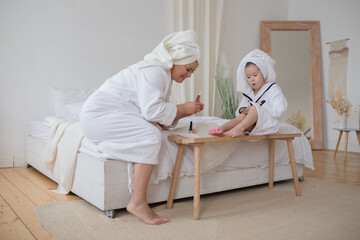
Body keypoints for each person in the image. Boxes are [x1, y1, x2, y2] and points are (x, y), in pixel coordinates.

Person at [80, 30, 203, 225]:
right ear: (175, 60)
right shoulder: (154, 71)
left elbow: (157, 117)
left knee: (152, 131)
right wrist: (181, 108)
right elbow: (152, 112)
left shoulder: (162, 75)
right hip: (98, 117)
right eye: (187, 69)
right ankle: (137, 202)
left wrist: (183, 113)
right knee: (151, 136)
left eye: (192, 72)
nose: (188, 75)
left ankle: (111, 147)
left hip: (107, 118)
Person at [209, 49, 287, 137]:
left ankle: (239, 129)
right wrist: (244, 110)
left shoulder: (273, 89)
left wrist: (259, 106)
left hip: (268, 124)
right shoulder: (249, 92)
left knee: (254, 108)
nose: (252, 79)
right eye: (248, 77)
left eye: (255, 75)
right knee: (242, 116)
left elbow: (279, 109)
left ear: (263, 73)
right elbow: (241, 109)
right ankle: (222, 128)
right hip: (252, 125)